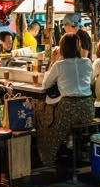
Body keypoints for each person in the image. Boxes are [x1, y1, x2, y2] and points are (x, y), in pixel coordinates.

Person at [37, 33, 94, 167]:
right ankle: (71, 149)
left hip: (69, 109)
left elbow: (45, 84)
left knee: (46, 125)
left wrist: (53, 61)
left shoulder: (59, 65)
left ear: (62, 48)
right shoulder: (87, 62)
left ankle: (48, 159)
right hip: (88, 108)